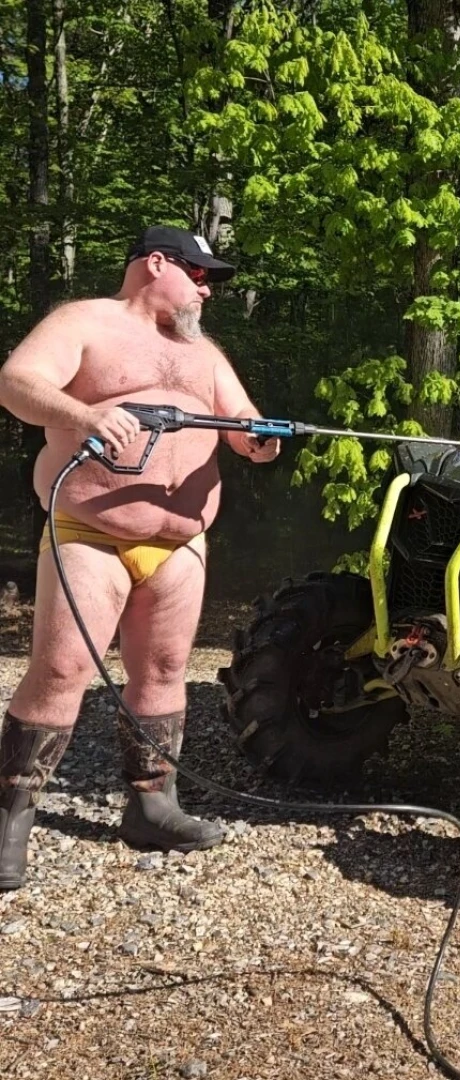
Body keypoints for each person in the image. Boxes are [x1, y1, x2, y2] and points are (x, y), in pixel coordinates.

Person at [0, 224, 280, 891]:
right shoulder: (85, 323)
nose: (207, 289)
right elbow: (15, 383)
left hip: (181, 541)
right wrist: (85, 415)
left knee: (162, 670)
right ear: (157, 264)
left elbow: (243, 421)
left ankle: (153, 807)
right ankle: (9, 820)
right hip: (89, 531)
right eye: (200, 273)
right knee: (63, 669)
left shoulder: (204, 354)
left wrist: (258, 442)